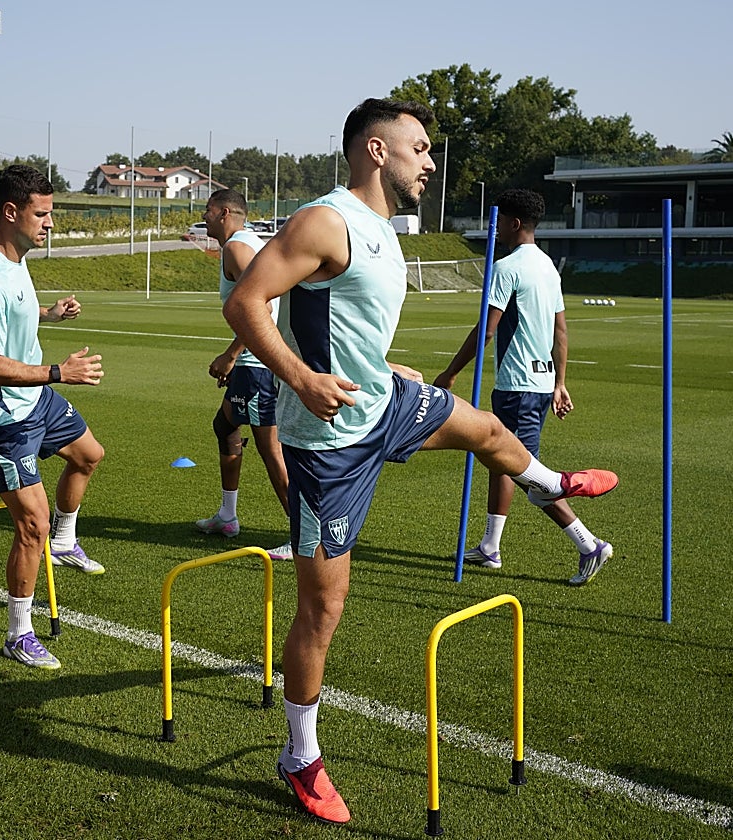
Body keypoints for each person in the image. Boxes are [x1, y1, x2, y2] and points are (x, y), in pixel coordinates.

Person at [223, 98, 618, 825]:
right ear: (377, 150)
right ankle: (300, 755)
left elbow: (343, 323)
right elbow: (246, 303)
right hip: (329, 444)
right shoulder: (325, 220)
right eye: (421, 147)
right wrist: (301, 379)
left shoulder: (384, 230)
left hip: (385, 402)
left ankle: (550, 484)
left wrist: (381, 366)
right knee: (323, 608)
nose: (430, 161)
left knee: (490, 430)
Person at [0, 164, 106, 670]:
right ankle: (18, 633)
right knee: (31, 524)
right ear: (10, 212)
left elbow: (11, 317)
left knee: (88, 455)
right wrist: (59, 372)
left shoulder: (15, 261)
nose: (50, 223)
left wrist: (48, 315)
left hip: (33, 399)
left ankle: (64, 542)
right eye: (41, 214)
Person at [433, 188, 613, 585]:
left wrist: (450, 372)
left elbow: (488, 330)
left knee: (525, 472)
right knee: (499, 458)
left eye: (499, 222)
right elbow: (560, 329)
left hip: (517, 386)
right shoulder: (548, 266)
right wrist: (559, 382)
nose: (495, 230)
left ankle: (589, 544)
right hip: (539, 382)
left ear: (514, 223)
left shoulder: (506, 267)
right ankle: (490, 547)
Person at [195, 189, 292, 560]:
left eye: (207, 210)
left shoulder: (237, 248)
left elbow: (262, 308)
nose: (203, 217)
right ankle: (227, 515)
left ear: (223, 213)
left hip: (258, 365)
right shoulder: (247, 244)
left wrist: (232, 355)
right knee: (224, 426)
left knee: (272, 450)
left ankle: (303, 535)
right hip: (253, 363)